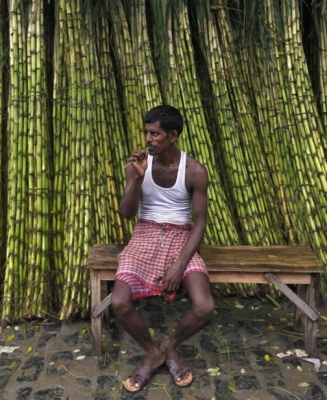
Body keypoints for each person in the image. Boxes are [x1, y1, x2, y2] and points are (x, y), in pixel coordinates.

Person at [111, 105, 214, 392]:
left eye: (154, 134)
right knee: (119, 302)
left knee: (205, 307)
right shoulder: (138, 166)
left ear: (172, 135)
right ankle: (152, 352)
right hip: (144, 232)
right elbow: (127, 214)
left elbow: (200, 222)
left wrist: (180, 264)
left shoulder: (194, 170)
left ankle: (170, 345)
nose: (148, 139)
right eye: (146, 132)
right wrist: (137, 178)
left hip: (181, 236)